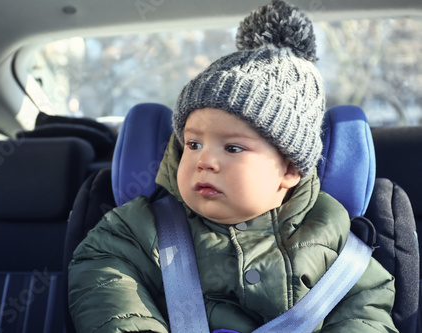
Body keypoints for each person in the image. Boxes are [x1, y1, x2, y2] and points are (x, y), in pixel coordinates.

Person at [68, 1, 398, 332]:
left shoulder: (333, 236)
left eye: (233, 147)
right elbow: (105, 279)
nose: (205, 161)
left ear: (289, 170)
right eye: (193, 144)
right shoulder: (139, 228)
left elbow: (365, 312)